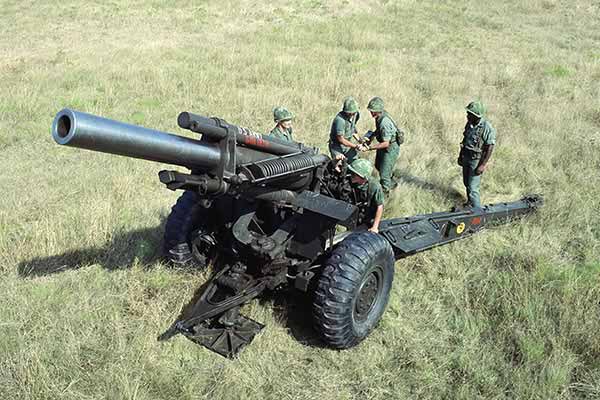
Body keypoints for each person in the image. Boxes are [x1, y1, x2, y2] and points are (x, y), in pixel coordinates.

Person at [359, 97, 404, 194]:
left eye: (373, 111)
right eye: (371, 111)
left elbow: (386, 143)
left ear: (379, 111)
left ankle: (385, 193)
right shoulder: (379, 117)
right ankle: (391, 182)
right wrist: (371, 137)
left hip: (390, 148)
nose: (371, 113)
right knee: (378, 165)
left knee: (384, 175)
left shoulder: (384, 122)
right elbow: (378, 130)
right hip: (384, 145)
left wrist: (369, 148)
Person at [457, 100, 496, 208]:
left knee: (473, 187)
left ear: (476, 115)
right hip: (466, 157)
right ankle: (470, 204)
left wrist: (482, 165)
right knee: (466, 183)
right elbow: (465, 140)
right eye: (468, 113)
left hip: (476, 160)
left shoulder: (486, 127)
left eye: (470, 114)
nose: (467, 115)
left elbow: (490, 147)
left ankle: (477, 213)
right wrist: (460, 156)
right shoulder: (469, 124)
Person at [348, 159, 384, 233]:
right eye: (351, 173)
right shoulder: (350, 181)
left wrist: (375, 227)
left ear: (363, 177)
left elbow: (380, 206)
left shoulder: (375, 186)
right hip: (355, 215)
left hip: (368, 217)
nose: (351, 175)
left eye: (355, 174)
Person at [329, 96, 361, 163]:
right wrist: (355, 146)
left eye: (353, 113)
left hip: (347, 144)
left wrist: (360, 141)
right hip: (337, 145)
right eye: (349, 113)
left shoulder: (356, 115)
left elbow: (353, 129)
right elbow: (341, 139)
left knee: (355, 163)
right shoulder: (340, 120)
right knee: (339, 166)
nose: (351, 115)